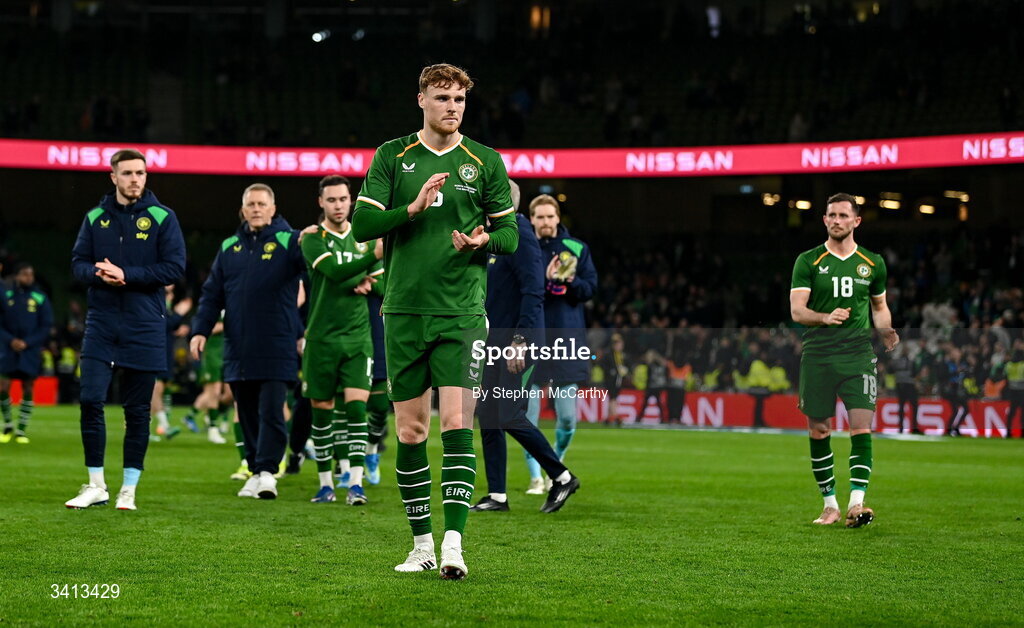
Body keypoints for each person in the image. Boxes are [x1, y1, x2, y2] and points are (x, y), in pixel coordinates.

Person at [351, 63, 518, 579]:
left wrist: (483, 240)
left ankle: (453, 544)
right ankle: (421, 544)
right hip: (401, 310)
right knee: (411, 429)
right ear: (420, 98)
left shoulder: (485, 161)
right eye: (442, 97)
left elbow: (510, 237)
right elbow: (362, 226)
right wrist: (413, 208)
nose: (452, 107)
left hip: (463, 313)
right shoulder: (391, 155)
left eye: (460, 100)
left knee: (455, 424)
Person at [66, 148, 186, 511]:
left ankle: (128, 490)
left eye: (141, 173)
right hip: (101, 324)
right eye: (128, 173)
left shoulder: (163, 217)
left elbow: (174, 268)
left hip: (145, 324)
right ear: (113, 177)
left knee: (137, 411)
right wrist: (97, 274)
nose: (136, 179)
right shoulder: (95, 217)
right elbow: (77, 263)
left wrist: (127, 276)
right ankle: (96, 485)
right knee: (90, 399)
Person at [790, 192, 898, 528]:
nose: (836, 221)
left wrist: (886, 330)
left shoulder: (872, 263)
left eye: (842, 215)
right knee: (820, 429)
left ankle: (857, 503)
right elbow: (796, 311)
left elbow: (879, 308)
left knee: (861, 427)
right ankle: (829, 505)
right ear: (824, 220)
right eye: (831, 215)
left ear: (856, 221)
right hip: (818, 356)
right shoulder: (808, 261)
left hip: (857, 356)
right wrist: (824, 318)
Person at [190, 183, 305, 501]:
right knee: (247, 411)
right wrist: (200, 330)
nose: (256, 209)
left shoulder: (291, 240)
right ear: (243, 210)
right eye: (250, 204)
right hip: (238, 346)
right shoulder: (229, 247)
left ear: (272, 208)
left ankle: (268, 472)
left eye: (261, 204)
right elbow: (212, 294)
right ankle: (256, 471)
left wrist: (305, 329)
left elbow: (315, 277)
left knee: (271, 410)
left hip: (277, 343)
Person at [471, 180, 580, 514]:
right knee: (489, 415)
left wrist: (521, 340)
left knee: (508, 413)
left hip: (518, 343)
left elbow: (535, 291)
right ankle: (498, 496)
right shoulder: (494, 236)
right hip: (494, 341)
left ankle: (561, 476)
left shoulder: (519, 233)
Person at [300, 174, 382, 505]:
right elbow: (334, 273)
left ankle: (356, 485)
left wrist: (369, 282)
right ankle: (325, 484)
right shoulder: (311, 238)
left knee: (356, 409)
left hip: (357, 338)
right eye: (331, 199)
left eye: (343, 199)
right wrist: (371, 260)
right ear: (321, 202)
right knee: (321, 410)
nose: (338, 205)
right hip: (321, 338)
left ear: (351, 201)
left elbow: (386, 285)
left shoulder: (362, 239)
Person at [524, 193, 598, 491]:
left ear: (558, 218)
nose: (545, 222)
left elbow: (590, 288)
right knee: (528, 417)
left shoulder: (576, 248)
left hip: (567, 341)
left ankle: (556, 465)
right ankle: (534, 477)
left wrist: (567, 282)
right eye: (539, 217)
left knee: (567, 418)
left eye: (549, 216)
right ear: (531, 220)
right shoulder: (524, 248)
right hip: (532, 339)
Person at [0, 263, 54, 444]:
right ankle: (8, 425)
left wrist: (28, 342)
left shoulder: (39, 297)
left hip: (30, 350)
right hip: (8, 348)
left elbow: (46, 325)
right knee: (3, 386)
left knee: (28, 387)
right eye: (24, 274)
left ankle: (21, 430)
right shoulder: (6, 296)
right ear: (16, 276)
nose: (28, 277)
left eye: (31, 274)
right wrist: (11, 340)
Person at [1003, 347, 1024, 438]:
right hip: (1022, 392)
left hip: (1012, 391)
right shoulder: (1022, 365)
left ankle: (1008, 431)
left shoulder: (1008, 365)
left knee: (1012, 412)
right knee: (1023, 413)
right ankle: (1022, 432)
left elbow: (1005, 377)